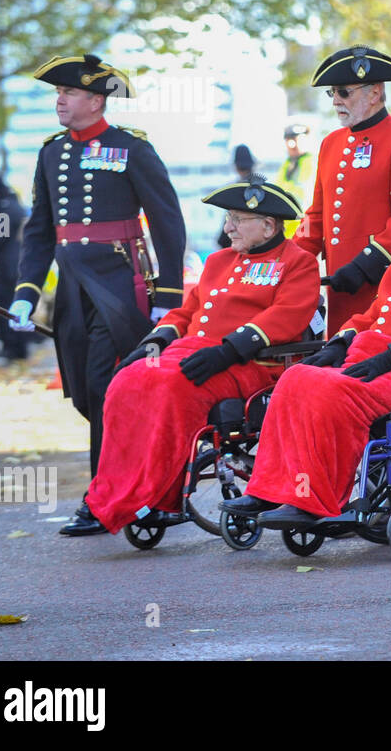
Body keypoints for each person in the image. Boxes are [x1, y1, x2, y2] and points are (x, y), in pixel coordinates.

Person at [222, 185, 391, 527]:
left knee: (335, 394)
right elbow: (369, 317)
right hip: (373, 366)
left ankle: (314, 500)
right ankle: (270, 489)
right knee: (294, 378)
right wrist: (338, 343)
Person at [67, 182, 320, 536]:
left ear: (268, 225)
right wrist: (153, 343)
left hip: (249, 364)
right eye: (228, 218)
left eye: (237, 219)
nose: (227, 228)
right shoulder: (218, 261)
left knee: (173, 386)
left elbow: (288, 316)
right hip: (191, 354)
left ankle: (155, 497)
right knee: (125, 380)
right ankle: (109, 495)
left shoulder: (298, 263)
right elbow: (186, 312)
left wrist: (229, 350)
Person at [10, 54, 186, 508]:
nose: (60, 102)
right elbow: (39, 229)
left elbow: (167, 222)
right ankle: (137, 475)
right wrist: (26, 294)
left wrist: (168, 295)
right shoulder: (51, 152)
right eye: (58, 94)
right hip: (71, 288)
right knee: (84, 395)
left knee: (102, 385)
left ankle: (102, 498)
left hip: (119, 286)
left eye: (68, 93)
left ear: (96, 99)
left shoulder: (133, 148)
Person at [293, 45, 391, 334]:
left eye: (344, 92)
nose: (335, 101)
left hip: (383, 282)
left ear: (375, 92)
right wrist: (285, 259)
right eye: (332, 93)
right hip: (340, 286)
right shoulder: (331, 143)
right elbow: (317, 216)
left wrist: (366, 263)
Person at [0, 176, 28, 360]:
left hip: (6, 266)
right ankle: (19, 347)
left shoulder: (4, 208)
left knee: (5, 307)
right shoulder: (14, 205)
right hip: (16, 264)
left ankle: (11, 348)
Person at [216, 144, 266, 249]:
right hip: (260, 241)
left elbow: (226, 230)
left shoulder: (235, 189)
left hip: (237, 243)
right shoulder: (263, 187)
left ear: (236, 166)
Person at [278, 121, 317, 238]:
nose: (291, 144)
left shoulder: (312, 162)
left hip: (304, 232)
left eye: (295, 139)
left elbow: (304, 198)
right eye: (288, 139)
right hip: (287, 232)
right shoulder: (287, 163)